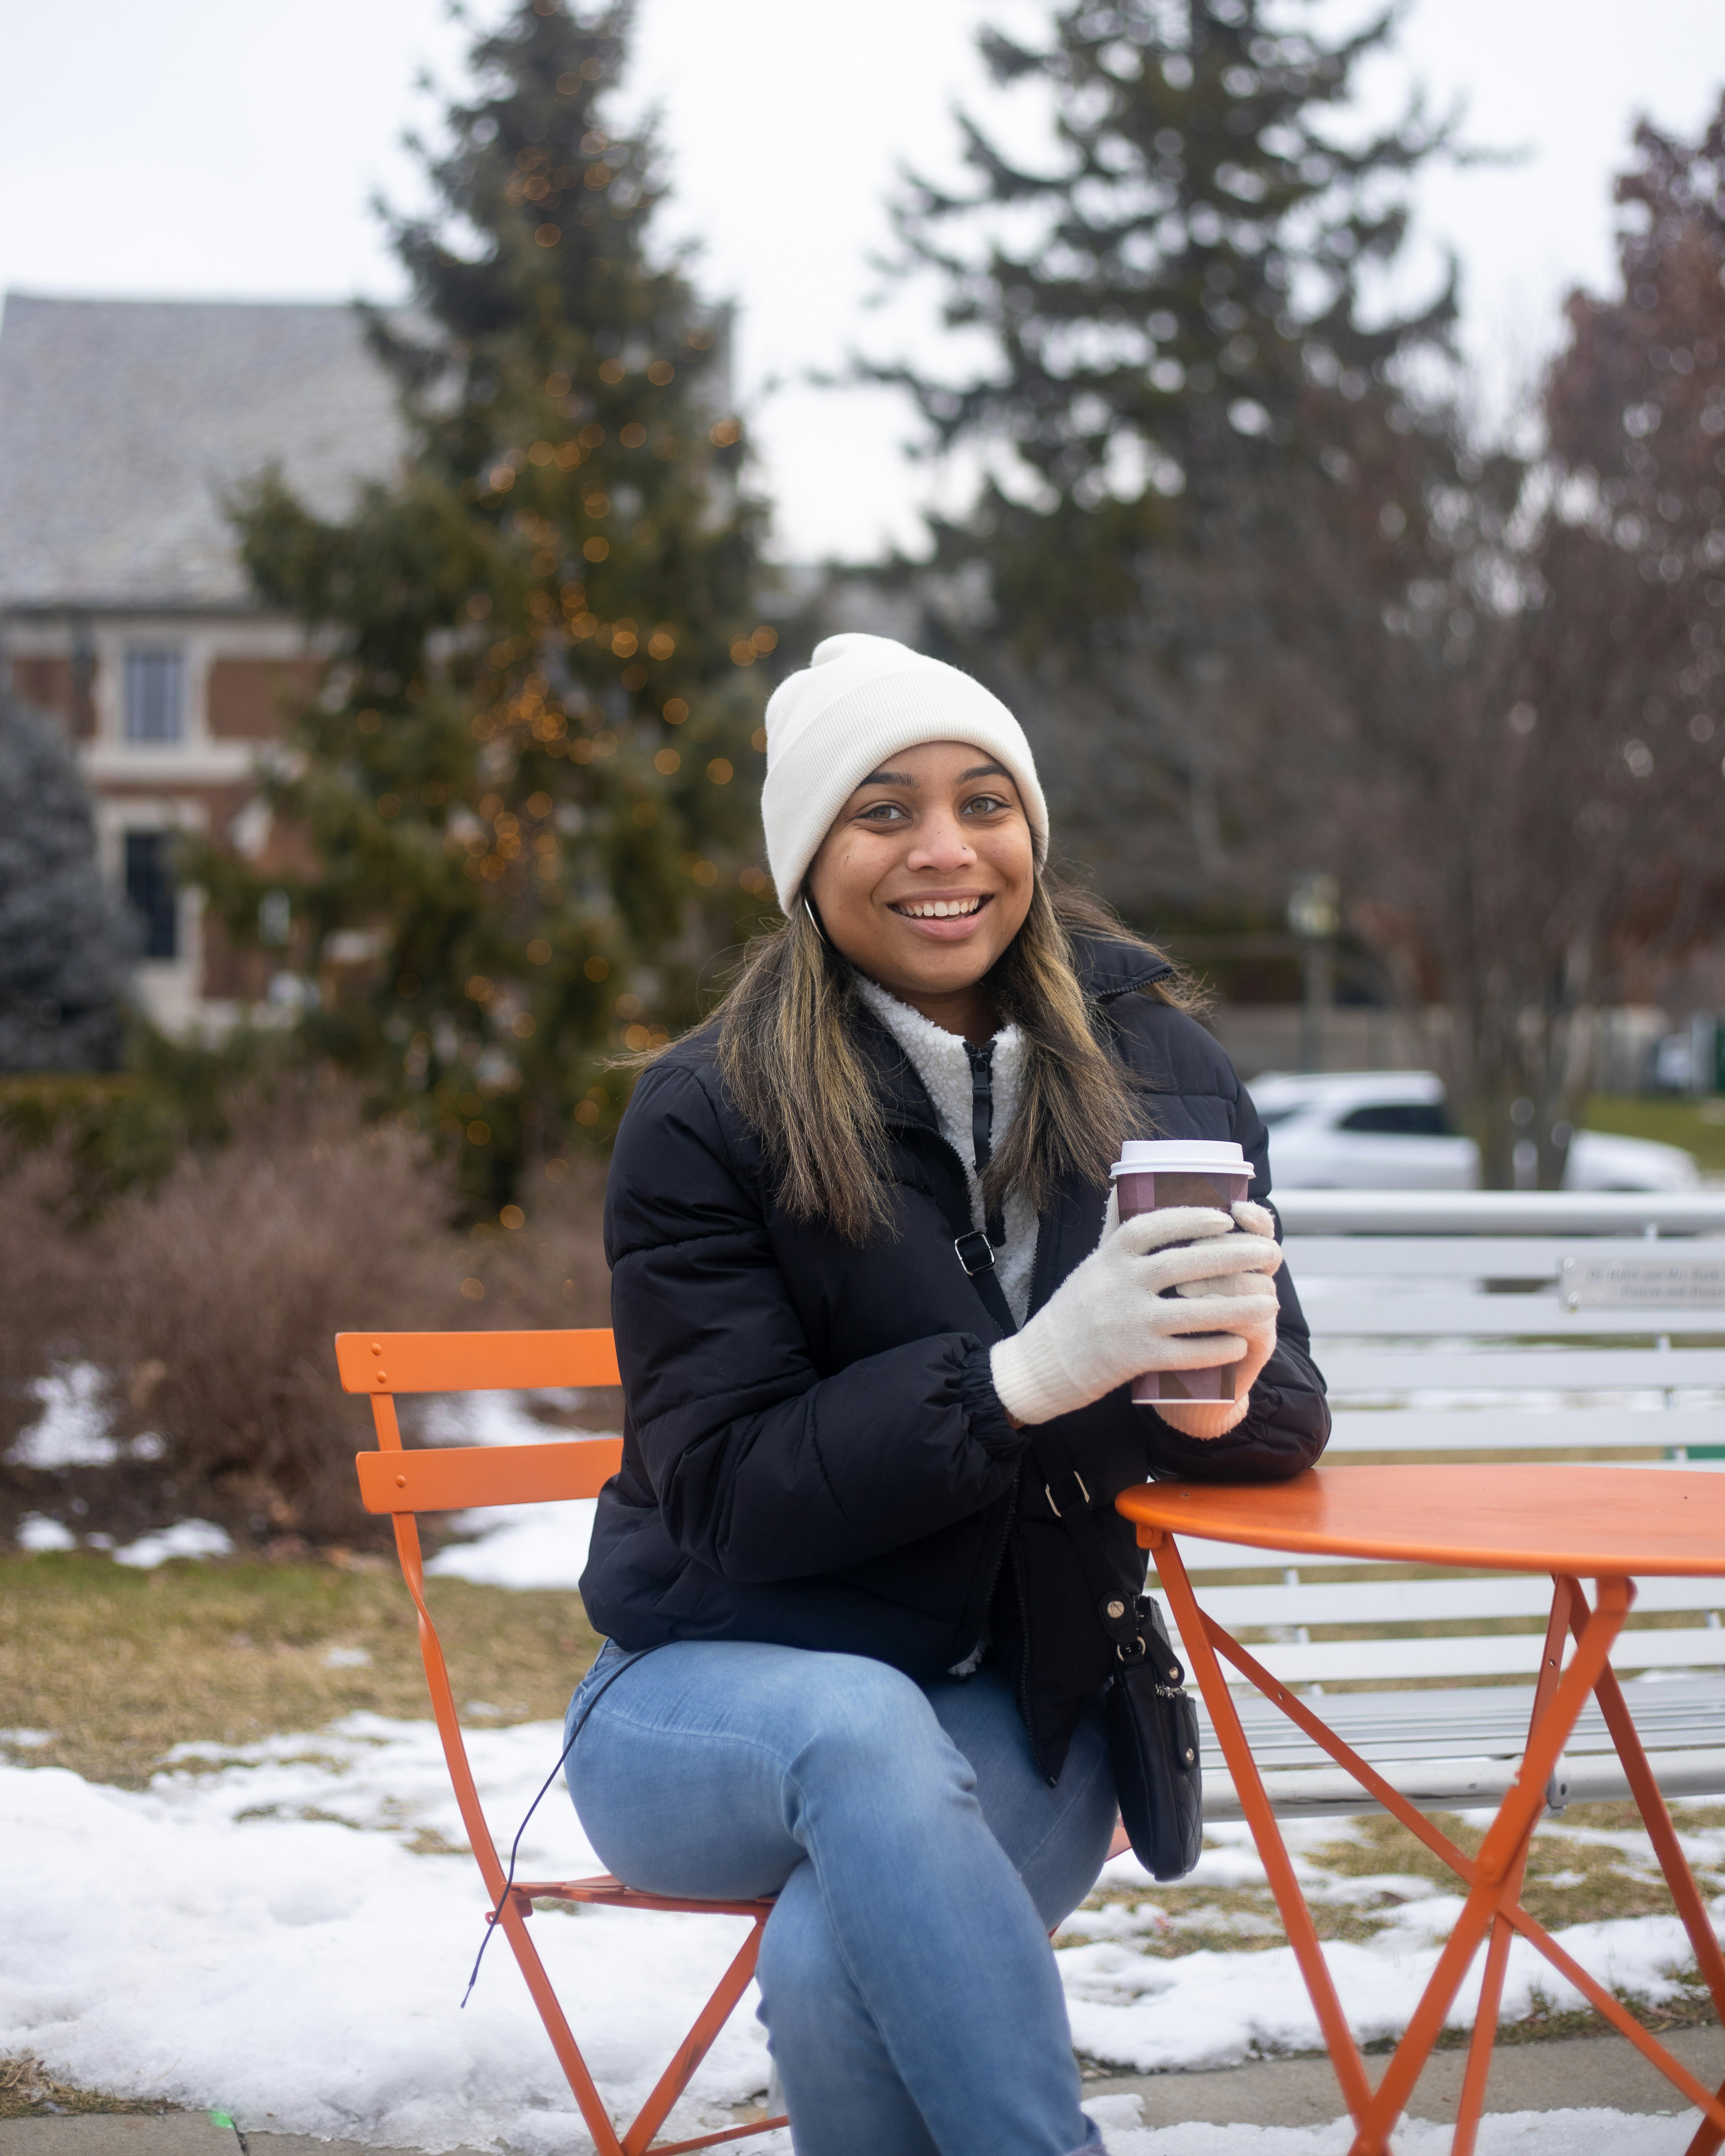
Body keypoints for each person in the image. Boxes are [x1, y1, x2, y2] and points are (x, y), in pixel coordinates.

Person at [566, 633, 1329, 2156]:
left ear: (1031, 830)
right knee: (853, 1723)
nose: (943, 848)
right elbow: (721, 1494)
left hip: (1021, 1692)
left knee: (830, 1965)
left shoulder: (1164, 1068)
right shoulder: (711, 1110)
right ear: (807, 858)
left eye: (984, 799)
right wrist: (1025, 1377)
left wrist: (1206, 1408)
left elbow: (1282, 1401)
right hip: (702, 1697)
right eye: (881, 808)